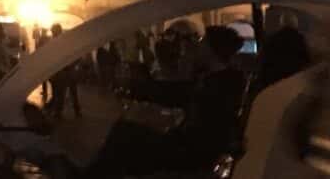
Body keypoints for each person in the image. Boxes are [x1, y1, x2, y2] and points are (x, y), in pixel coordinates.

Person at [85, 25, 246, 178]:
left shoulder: (217, 85)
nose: (198, 46)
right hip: (187, 145)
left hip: (190, 151)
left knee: (124, 135)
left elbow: (179, 95)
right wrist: (135, 90)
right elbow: (174, 92)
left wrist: (188, 65)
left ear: (211, 51)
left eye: (203, 43)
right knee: (124, 138)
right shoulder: (216, 80)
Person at [46, 23, 82, 118]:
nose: (53, 34)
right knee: (66, 93)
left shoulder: (61, 43)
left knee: (62, 93)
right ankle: (72, 111)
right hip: (64, 73)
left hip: (64, 73)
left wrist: (70, 66)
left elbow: (77, 56)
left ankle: (60, 112)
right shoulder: (63, 42)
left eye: (54, 32)